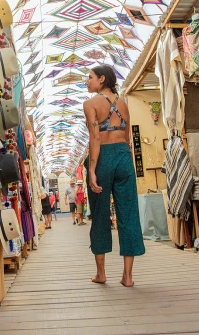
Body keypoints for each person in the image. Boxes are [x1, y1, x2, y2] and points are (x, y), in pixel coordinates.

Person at [83, 65, 144, 287]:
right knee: (128, 214)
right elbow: (127, 136)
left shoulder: (90, 104)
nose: (86, 81)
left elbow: (95, 138)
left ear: (101, 79)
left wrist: (92, 169)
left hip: (104, 158)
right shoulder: (123, 102)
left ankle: (101, 274)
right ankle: (127, 276)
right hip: (124, 156)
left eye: (89, 77)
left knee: (100, 214)